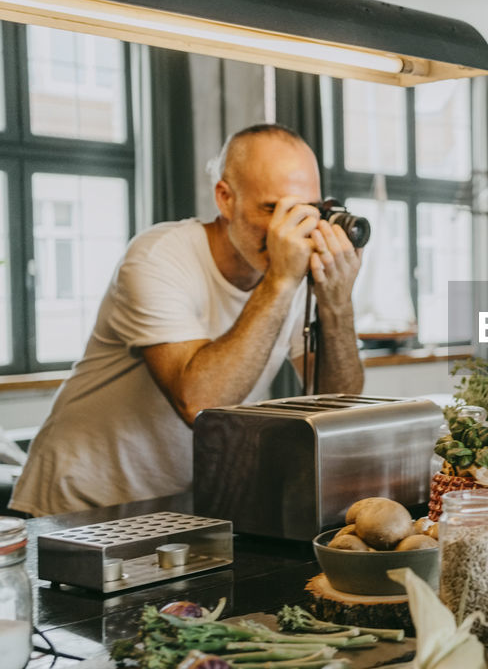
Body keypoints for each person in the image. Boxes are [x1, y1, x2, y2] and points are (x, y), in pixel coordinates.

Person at [10, 124, 363, 516]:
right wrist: (279, 281)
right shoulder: (158, 255)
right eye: (272, 209)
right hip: (75, 503)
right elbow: (200, 403)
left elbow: (340, 404)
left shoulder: (292, 275)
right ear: (225, 199)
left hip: (172, 508)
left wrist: (337, 305)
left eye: (306, 212)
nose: (290, 230)